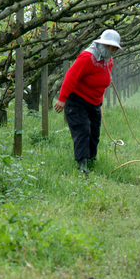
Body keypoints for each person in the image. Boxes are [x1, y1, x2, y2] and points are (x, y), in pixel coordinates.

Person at [54, 29, 123, 174]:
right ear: (101, 44)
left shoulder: (108, 59)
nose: (110, 50)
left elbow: (105, 73)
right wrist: (62, 99)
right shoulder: (87, 57)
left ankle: (91, 161)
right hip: (77, 101)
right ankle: (82, 165)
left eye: (113, 48)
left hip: (94, 103)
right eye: (108, 46)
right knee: (83, 130)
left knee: (94, 133)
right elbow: (71, 77)